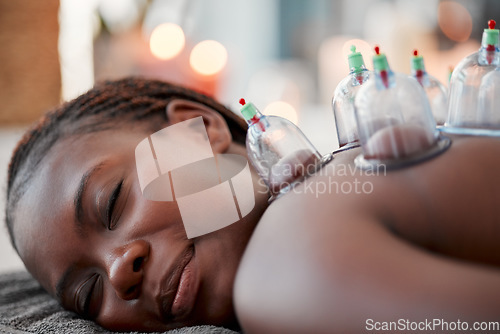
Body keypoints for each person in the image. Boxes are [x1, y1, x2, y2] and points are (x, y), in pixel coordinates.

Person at [5, 77, 500, 333]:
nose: (118, 271)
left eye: (112, 201)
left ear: (201, 128)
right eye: (88, 295)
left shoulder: (280, 265)